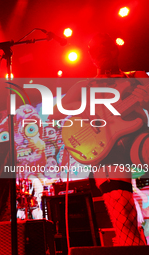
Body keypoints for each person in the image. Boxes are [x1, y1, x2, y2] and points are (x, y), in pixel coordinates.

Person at [53, 33, 148, 245]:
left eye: (106, 47)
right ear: (90, 55)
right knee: (124, 219)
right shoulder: (84, 86)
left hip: (141, 143)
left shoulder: (137, 77)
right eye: (96, 49)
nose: (102, 52)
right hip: (107, 153)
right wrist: (93, 111)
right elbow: (56, 114)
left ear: (116, 49)